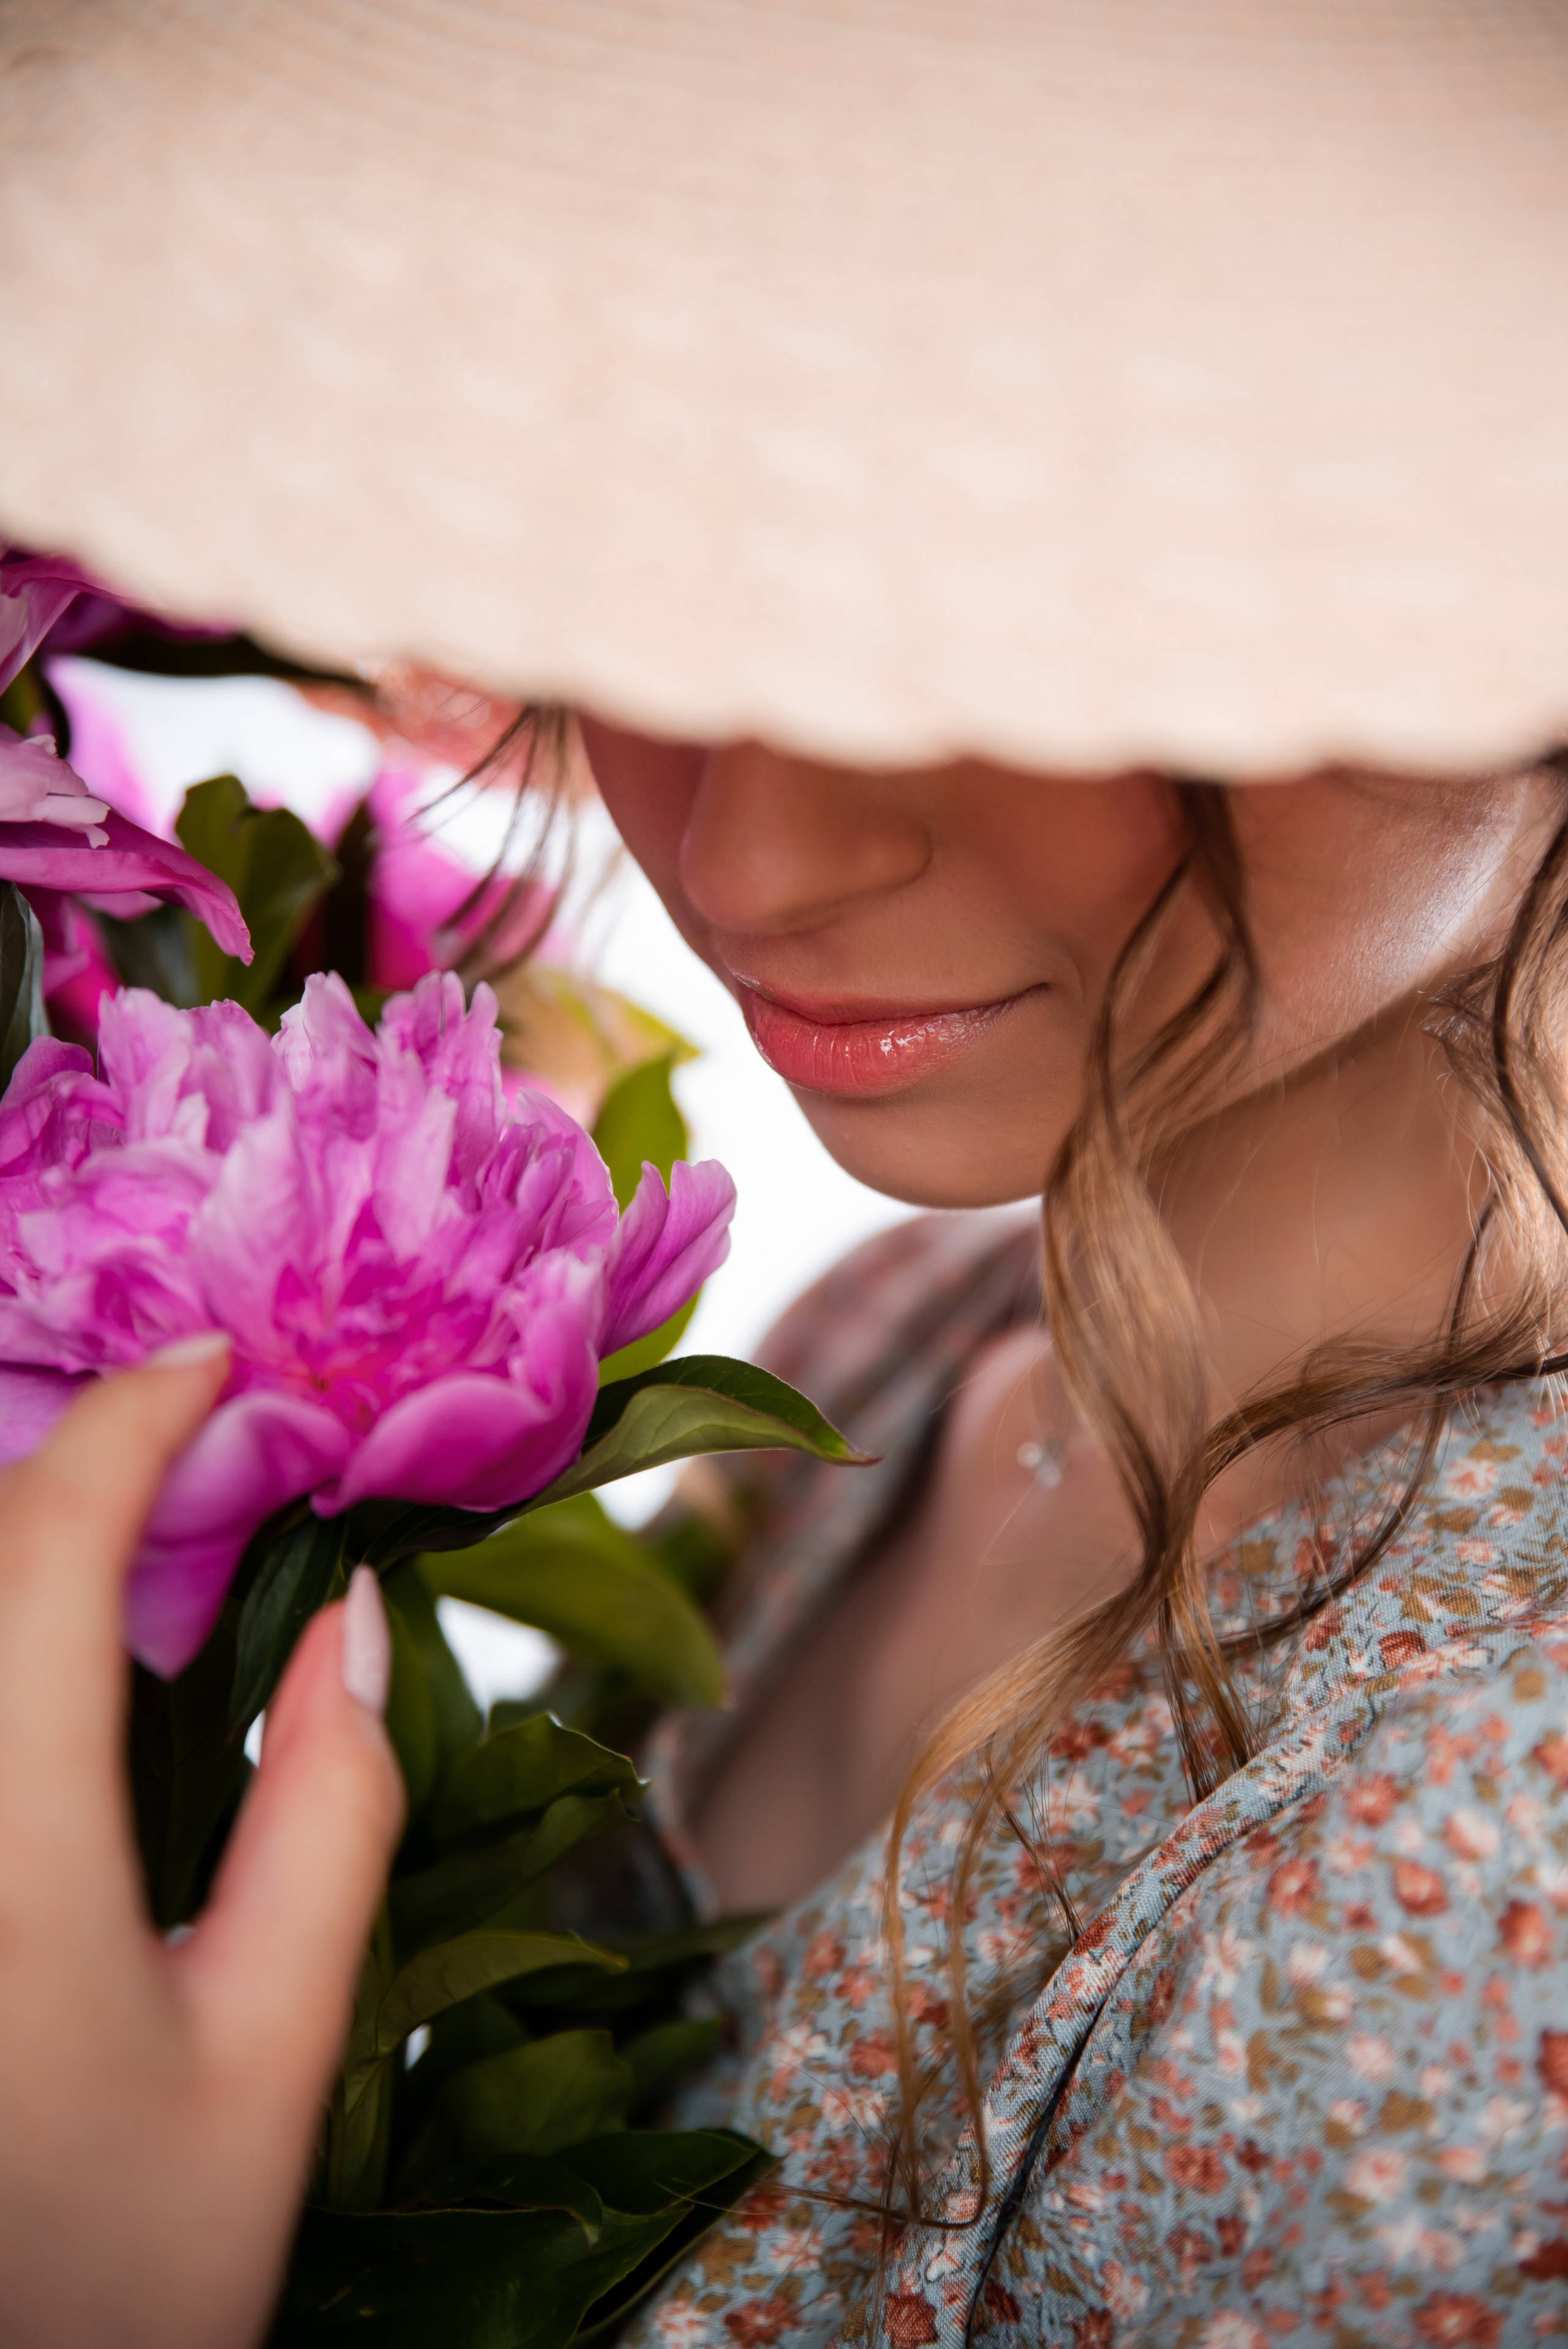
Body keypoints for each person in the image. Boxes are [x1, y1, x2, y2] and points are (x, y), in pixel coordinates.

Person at [1, 5, 1566, 2345]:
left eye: (1043, 587)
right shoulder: (916, 1338)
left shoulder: (1497, 1860)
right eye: (683, 545)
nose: (752, 852)